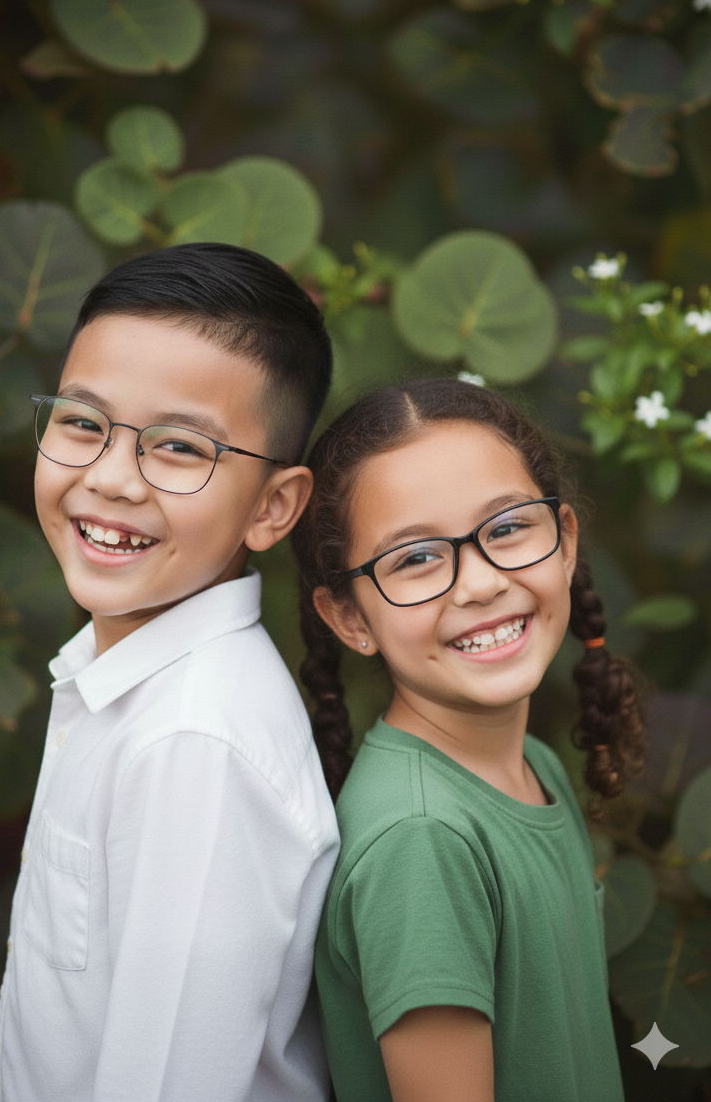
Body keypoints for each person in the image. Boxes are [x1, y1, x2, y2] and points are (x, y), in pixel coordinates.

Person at [0, 243, 340, 1102]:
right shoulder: (120, 679)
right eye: (81, 422)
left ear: (273, 507)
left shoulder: (197, 742)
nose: (109, 478)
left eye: (179, 448)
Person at [291, 377, 646, 1102]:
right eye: (415, 558)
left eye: (509, 527)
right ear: (349, 618)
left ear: (566, 542)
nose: (478, 584)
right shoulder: (422, 840)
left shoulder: (532, 766)